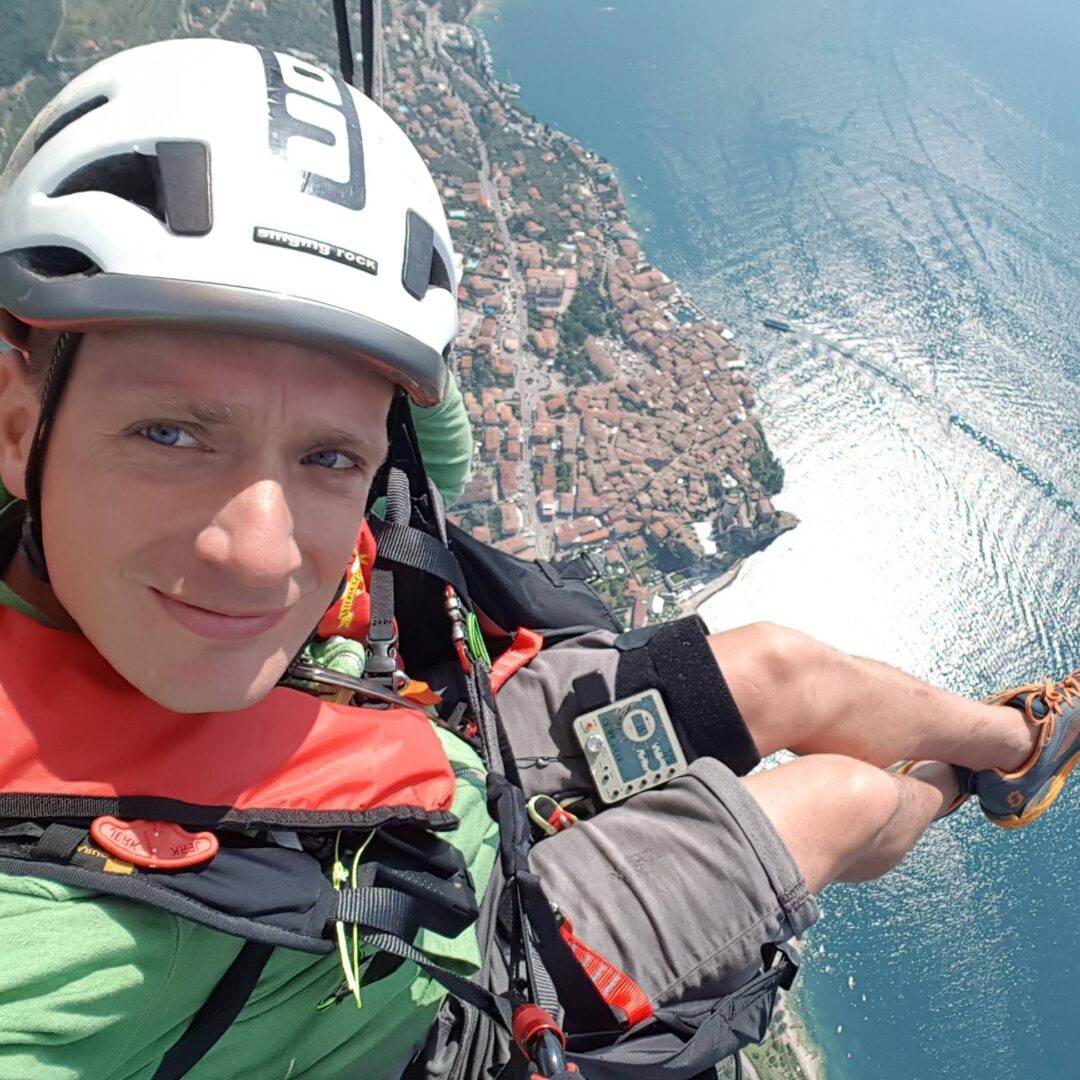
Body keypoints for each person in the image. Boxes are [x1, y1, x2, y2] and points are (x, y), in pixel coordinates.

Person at [0, 36, 1075, 1080]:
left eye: (329, 455)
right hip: (460, 988)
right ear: (15, 421)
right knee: (839, 802)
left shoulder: (125, 559)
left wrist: (349, 316)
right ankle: (950, 786)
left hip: (424, 751)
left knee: (785, 669)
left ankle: (1021, 746)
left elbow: (433, 459)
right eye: (170, 434)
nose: (259, 552)